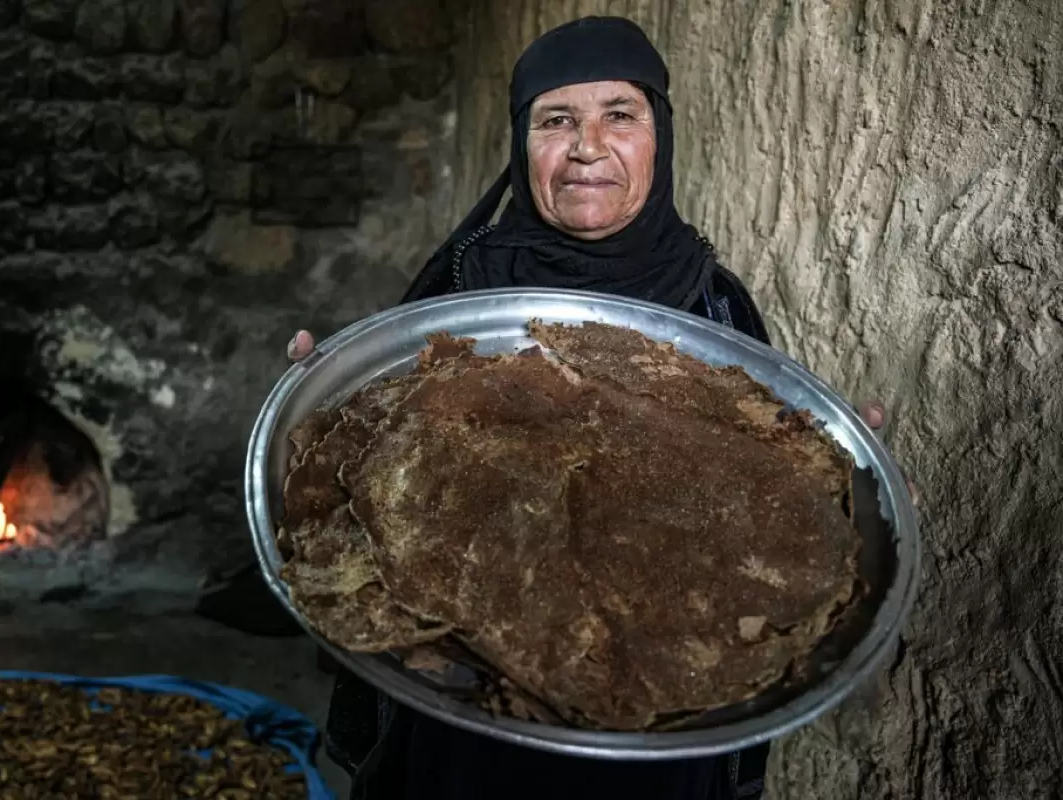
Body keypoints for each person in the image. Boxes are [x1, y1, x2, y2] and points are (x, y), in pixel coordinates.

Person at [287, 16, 908, 799]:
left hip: (660, 727)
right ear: (523, 145)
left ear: (659, 138)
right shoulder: (456, 296)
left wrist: (850, 492)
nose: (587, 146)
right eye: (557, 121)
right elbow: (367, 494)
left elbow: (759, 497)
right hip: (473, 719)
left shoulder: (713, 311)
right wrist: (319, 409)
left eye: (620, 115)